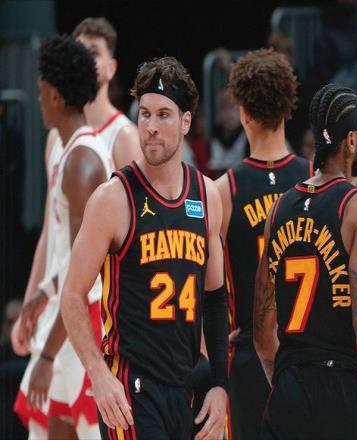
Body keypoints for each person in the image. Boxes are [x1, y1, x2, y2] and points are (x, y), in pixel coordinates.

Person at [60, 56, 228, 440]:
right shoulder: (112, 198)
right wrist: (98, 374)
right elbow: (71, 294)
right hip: (131, 388)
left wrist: (221, 384)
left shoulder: (206, 195)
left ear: (186, 122)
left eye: (164, 115)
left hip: (188, 385)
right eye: (145, 114)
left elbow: (216, 298)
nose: (151, 126)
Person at [253, 83, 357, 439]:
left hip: (288, 390)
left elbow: (263, 335)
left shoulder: (278, 209)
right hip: (342, 389)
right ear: (351, 140)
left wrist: (287, 383)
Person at [215, 48, 313, 440]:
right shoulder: (318, 180)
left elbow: (206, 286)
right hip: (310, 353)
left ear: (243, 112)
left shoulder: (224, 190)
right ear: (289, 109)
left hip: (249, 356)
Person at [14, 35, 109, 439]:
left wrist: (48, 356)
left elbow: (82, 277)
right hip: (67, 318)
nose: (38, 100)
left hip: (85, 324)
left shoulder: (82, 163)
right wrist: (43, 292)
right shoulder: (67, 151)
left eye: (40, 93)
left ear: (55, 95)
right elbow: (70, 262)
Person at [73, 17, 141, 169]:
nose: (84, 59)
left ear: (111, 68)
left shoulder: (126, 136)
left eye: (93, 53)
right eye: (79, 51)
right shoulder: (57, 134)